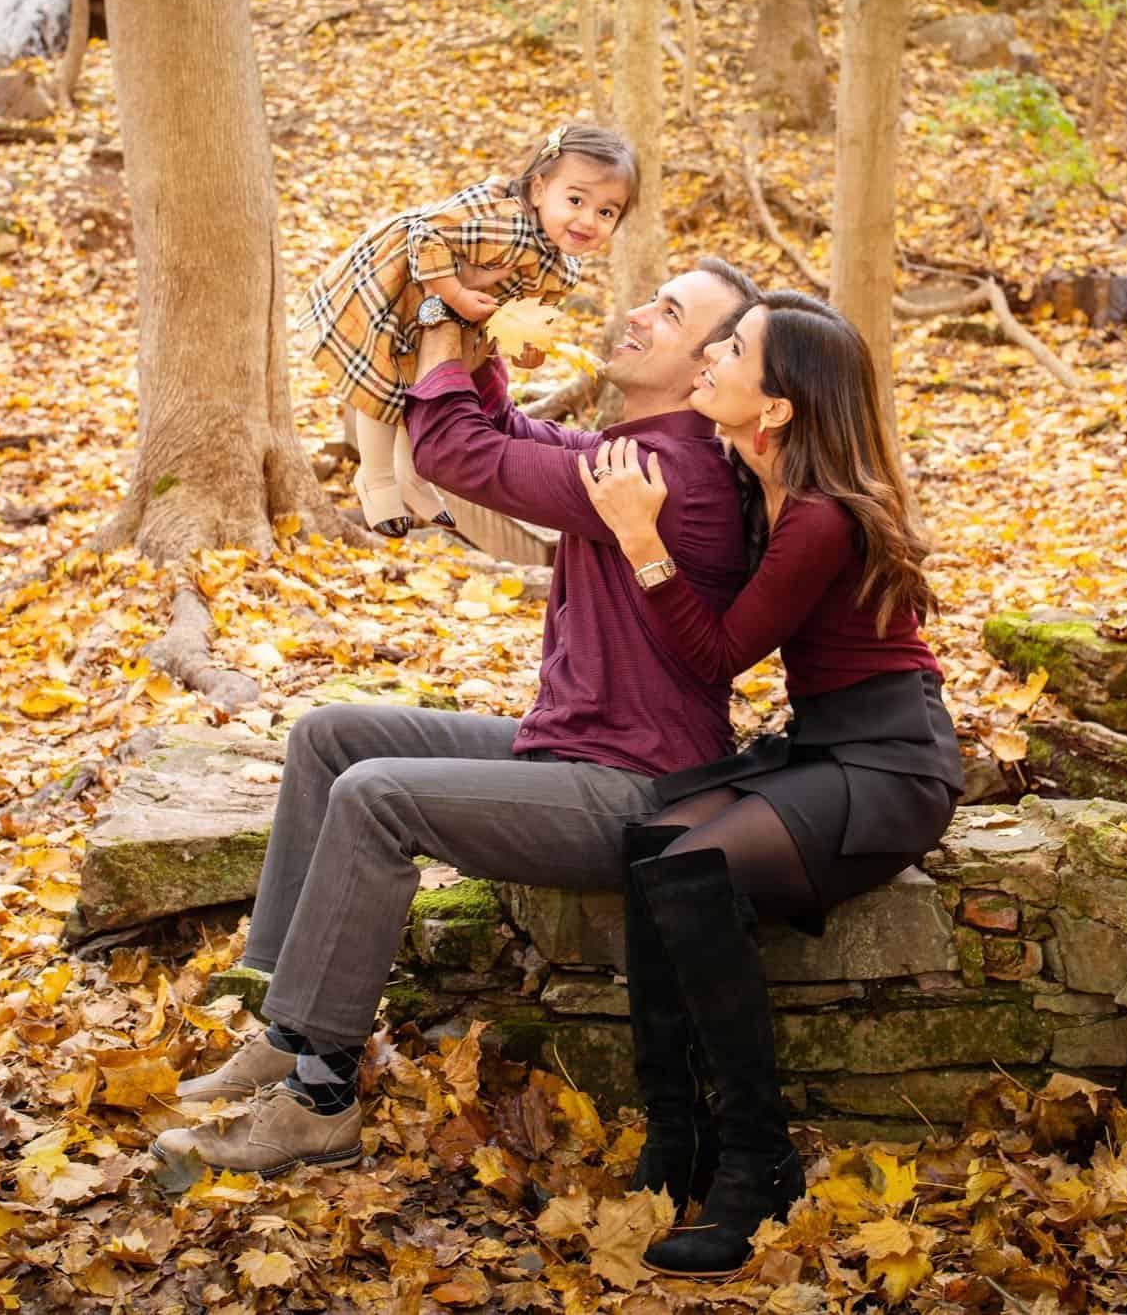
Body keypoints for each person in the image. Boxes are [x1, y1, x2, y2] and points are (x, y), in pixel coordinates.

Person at [148, 258, 765, 1187]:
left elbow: (461, 456)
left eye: (669, 313)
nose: (639, 313)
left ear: (707, 367)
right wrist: (477, 350)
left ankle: (318, 1100)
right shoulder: (629, 447)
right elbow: (515, 434)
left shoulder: (668, 470)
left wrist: (437, 324)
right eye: (652, 297)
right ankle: (287, 1025)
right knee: (332, 737)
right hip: (572, 743)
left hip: (634, 787)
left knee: (377, 795)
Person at [576, 291, 965, 1277]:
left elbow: (718, 656)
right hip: (828, 744)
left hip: (889, 762)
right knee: (650, 841)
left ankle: (758, 1167)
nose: (709, 352)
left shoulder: (823, 519)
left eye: (734, 347)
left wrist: (639, 538)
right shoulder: (776, 485)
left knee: (694, 862)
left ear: (779, 405)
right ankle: (678, 1140)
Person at [300, 123, 637, 537]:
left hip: (456, 319)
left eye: (606, 212)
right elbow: (426, 234)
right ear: (537, 190)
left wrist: (526, 347)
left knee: (422, 394)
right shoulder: (501, 221)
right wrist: (455, 294)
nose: (588, 220)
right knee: (383, 386)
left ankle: (413, 477)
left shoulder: (562, 266)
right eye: (575, 200)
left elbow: (525, 314)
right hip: (404, 286)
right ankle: (375, 477)